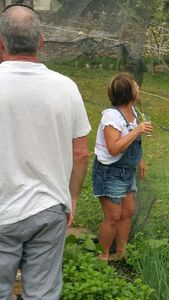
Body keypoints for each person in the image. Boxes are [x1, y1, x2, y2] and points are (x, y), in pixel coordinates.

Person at [0, 4, 91, 300]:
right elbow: (81, 154)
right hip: (49, 207)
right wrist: (71, 198)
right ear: (41, 42)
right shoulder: (66, 88)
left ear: (1, 42)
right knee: (42, 295)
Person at [92, 72, 153, 261]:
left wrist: (139, 159)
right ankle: (103, 257)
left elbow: (132, 143)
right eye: (136, 86)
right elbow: (113, 148)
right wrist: (136, 131)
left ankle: (121, 254)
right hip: (110, 172)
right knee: (113, 216)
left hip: (126, 171)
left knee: (127, 213)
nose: (139, 88)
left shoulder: (133, 112)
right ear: (129, 93)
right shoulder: (112, 116)